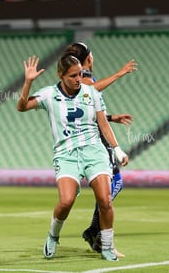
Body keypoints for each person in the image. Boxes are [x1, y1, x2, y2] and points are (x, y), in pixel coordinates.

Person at [17, 54, 128, 261]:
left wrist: (117, 149)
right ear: (61, 75)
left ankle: (107, 246)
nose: (79, 79)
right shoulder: (49, 95)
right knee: (66, 201)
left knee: (105, 200)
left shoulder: (91, 93)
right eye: (73, 76)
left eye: (80, 74)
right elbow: (21, 107)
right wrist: (28, 82)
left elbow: (103, 123)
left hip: (94, 151)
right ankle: (53, 235)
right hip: (66, 155)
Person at [63, 42, 137, 257]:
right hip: (96, 142)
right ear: (88, 58)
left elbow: (92, 112)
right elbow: (90, 89)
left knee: (110, 189)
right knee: (113, 186)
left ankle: (95, 232)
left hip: (90, 138)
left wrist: (112, 117)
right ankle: (98, 235)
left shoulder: (78, 78)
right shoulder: (84, 77)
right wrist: (118, 74)